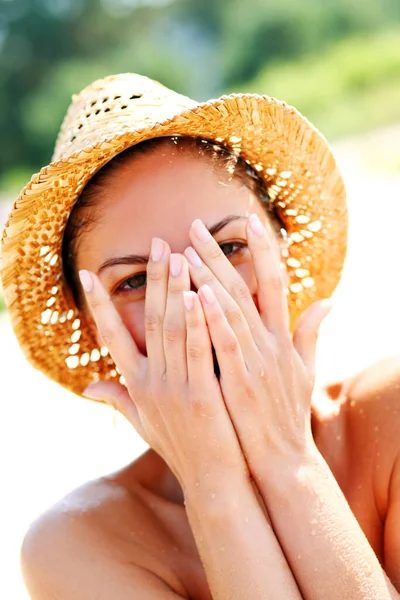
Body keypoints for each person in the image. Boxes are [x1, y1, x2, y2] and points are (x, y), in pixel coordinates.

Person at [1, 73, 399, 599]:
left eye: (227, 250)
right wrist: (217, 489)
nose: (196, 302)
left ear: (279, 251)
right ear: (95, 324)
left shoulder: (390, 414)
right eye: (138, 280)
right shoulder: (80, 545)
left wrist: (287, 459)